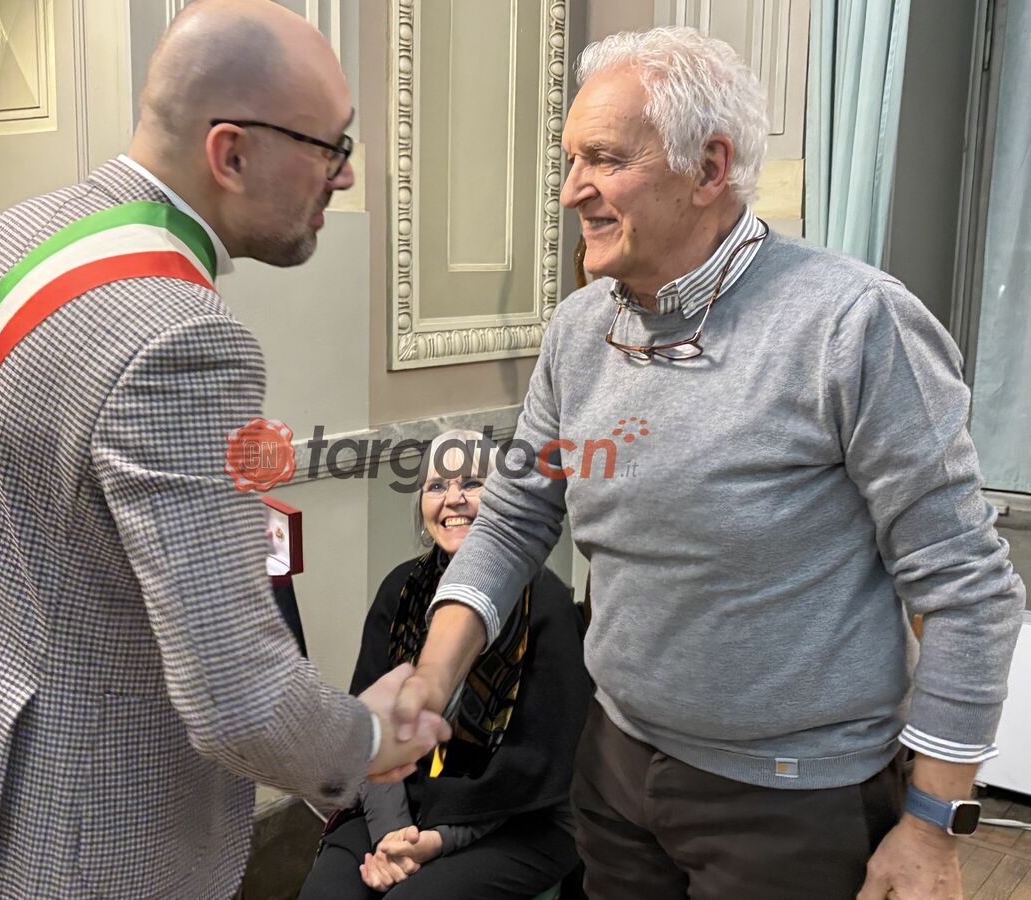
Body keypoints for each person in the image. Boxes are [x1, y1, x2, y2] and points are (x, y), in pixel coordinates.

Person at [391, 26, 1026, 900]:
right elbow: (513, 519)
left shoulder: (854, 324)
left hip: (795, 802)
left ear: (709, 167)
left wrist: (931, 824)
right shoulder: (580, 330)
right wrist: (434, 678)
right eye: (571, 160)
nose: (571, 190)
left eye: (605, 159)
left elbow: (967, 587)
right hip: (614, 765)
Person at [0, 3, 447, 898]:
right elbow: (240, 699)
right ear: (231, 154)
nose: (346, 173)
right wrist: (366, 738)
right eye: (330, 146)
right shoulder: (181, 338)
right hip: (93, 825)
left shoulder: (15, 237)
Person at [299, 431, 590, 900]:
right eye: (437, 486)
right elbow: (370, 732)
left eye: (472, 483)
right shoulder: (399, 592)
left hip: (520, 820)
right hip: (400, 805)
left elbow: (533, 773)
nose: (453, 498)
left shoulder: (546, 605)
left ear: (505, 500)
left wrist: (435, 842)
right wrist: (392, 834)